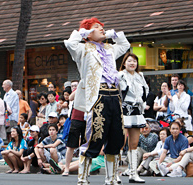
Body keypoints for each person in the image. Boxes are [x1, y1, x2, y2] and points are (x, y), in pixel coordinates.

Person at [64, 17, 130, 185]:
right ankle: (83, 178)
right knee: (95, 135)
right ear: (87, 32)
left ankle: (111, 178)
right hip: (97, 95)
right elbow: (70, 44)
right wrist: (83, 32)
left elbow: (124, 46)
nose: (102, 29)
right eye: (97, 27)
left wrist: (114, 35)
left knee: (116, 136)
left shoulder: (109, 48)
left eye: (103, 27)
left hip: (114, 95)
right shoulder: (83, 48)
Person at [119, 52, 149, 183]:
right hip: (123, 109)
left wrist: (143, 105)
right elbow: (120, 92)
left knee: (134, 144)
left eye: (134, 61)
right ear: (124, 63)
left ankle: (133, 173)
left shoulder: (140, 76)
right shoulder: (120, 75)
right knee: (120, 142)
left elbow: (145, 92)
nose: (132, 63)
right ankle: (115, 173)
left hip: (137, 110)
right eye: (129, 61)